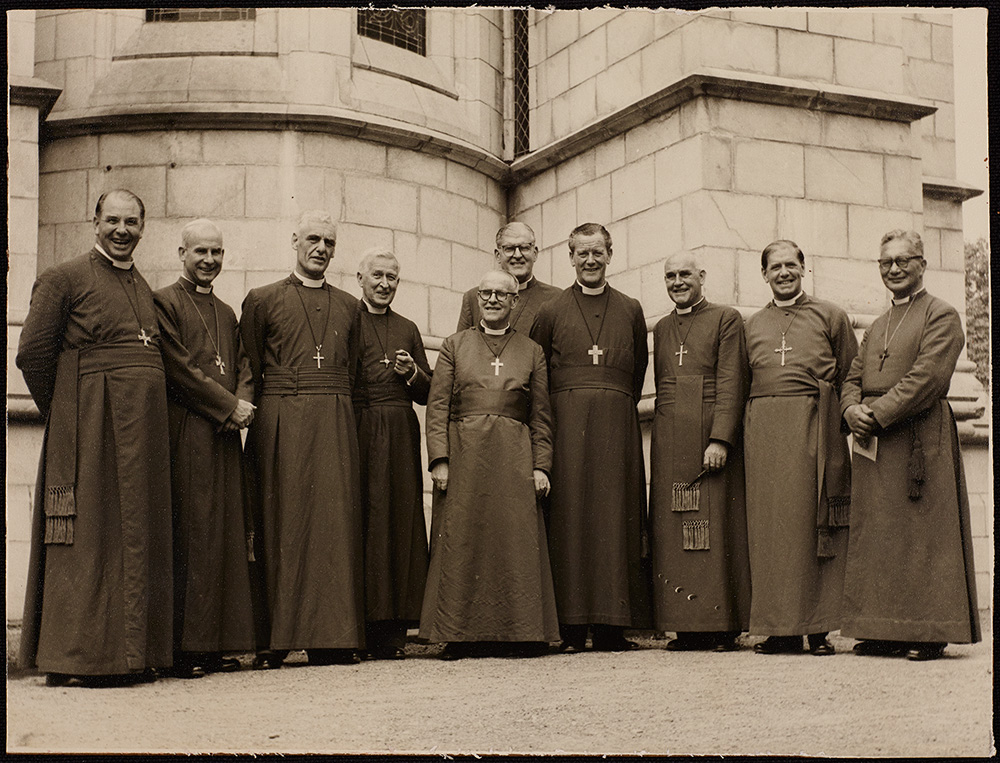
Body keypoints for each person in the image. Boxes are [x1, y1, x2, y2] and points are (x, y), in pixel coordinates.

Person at [16, 189, 172, 687]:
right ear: (95, 222)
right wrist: (67, 413)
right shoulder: (64, 278)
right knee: (88, 539)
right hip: (88, 430)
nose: (122, 230)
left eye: (131, 222)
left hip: (138, 436)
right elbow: (33, 354)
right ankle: (80, 658)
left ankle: (129, 655)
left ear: (143, 228)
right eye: (113, 221)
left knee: (131, 538)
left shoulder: (142, 286)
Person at [840, 230, 981, 661]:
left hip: (919, 436)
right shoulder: (879, 324)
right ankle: (882, 629)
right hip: (873, 441)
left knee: (922, 536)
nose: (895, 269)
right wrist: (849, 410)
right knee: (879, 535)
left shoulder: (942, 314)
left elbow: (929, 378)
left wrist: (876, 414)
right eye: (886, 263)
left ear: (922, 264)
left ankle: (926, 632)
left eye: (903, 261)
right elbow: (852, 376)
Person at [240, 210, 364, 668]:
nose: (321, 249)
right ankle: (274, 639)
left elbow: (349, 366)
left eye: (329, 243)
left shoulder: (350, 306)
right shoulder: (263, 298)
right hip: (280, 417)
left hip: (333, 417)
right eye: (313, 239)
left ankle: (332, 638)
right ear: (295, 241)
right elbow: (250, 362)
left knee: (334, 525)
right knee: (280, 522)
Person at [422, 270, 558, 659]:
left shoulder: (532, 350)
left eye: (502, 293)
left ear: (515, 302)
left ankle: (521, 633)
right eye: (486, 293)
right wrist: (439, 459)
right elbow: (438, 408)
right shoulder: (454, 345)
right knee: (464, 541)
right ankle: (459, 635)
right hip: (464, 454)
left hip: (515, 456)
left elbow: (541, 415)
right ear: (477, 299)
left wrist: (541, 466)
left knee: (513, 541)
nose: (494, 299)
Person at [530, 222, 650, 653]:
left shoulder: (631, 308)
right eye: (582, 253)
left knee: (616, 517)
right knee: (571, 518)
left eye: (598, 252)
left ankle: (613, 626)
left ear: (610, 254)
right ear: (570, 258)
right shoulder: (550, 310)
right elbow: (538, 373)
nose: (591, 260)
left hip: (616, 427)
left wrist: (611, 399)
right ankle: (571, 624)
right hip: (568, 428)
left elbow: (636, 373)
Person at [153, 219, 256, 677]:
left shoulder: (228, 311)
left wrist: (245, 401)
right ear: (182, 253)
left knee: (225, 537)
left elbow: (244, 362)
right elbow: (178, 370)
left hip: (225, 435)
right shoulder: (165, 302)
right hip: (190, 431)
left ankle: (219, 644)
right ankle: (187, 649)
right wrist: (228, 405)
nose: (210, 260)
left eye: (216, 252)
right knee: (194, 536)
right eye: (201, 252)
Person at [743, 240, 857, 656]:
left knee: (813, 525)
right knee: (772, 530)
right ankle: (779, 629)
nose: (784, 272)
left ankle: (818, 629)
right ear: (764, 274)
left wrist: (838, 425)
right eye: (775, 266)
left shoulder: (831, 316)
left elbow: (851, 375)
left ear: (804, 268)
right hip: (765, 435)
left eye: (792, 264)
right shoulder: (751, 324)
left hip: (814, 425)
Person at [648, 252, 751, 653]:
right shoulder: (661, 327)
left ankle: (721, 625)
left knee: (713, 527)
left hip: (709, 428)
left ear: (701, 277)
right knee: (675, 528)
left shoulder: (726, 319)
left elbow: (731, 381)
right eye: (670, 275)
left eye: (685, 274)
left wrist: (720, 438)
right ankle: (684, 626)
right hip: (671, 433)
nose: (677, 281)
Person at [353, 248, 432, 661]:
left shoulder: (408, 327)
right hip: (362, 427)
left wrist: (412, 374)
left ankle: (396, 630)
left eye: (392, 278)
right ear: (360, 278)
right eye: (377, 276)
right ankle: (364, 628)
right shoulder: (349, 319)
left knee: (400, 522)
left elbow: (429, 390)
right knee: (367, 522)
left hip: (400, 430)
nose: (385, 284)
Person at [456, 222, 561, 332]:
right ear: (498, 255)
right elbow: (461, 345)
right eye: (509, 249)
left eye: (524, 248)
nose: (517, 255)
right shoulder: (473, 297)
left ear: (535, 253)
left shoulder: (556, 298)